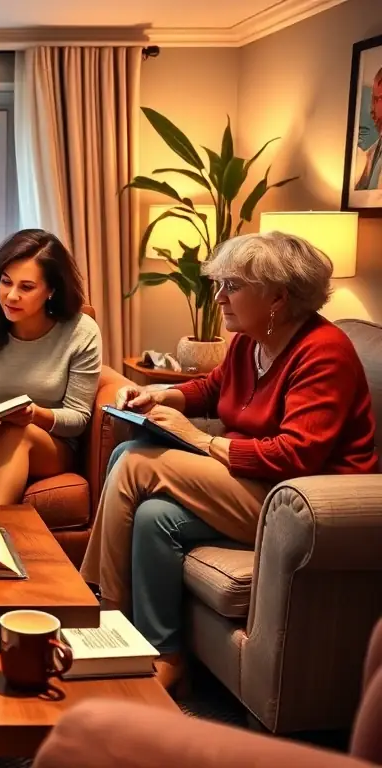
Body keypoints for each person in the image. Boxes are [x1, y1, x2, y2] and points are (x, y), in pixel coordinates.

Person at [82, 231, 378, 691]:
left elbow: (295, 454)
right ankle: (165, 653)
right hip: (252, 482)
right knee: (154, 516)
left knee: (136, 460)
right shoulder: (251, 339)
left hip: (302, 503)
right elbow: (214, 388)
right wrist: (162, 394)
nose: (218, 297)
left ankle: (103, 618)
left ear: (278, 295)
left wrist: (198, 440)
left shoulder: (324, 353)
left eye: (232, 286)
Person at [0, 229, 101, 506]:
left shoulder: (81, 331)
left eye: (26, 287)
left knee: (17, 431)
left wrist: (34, 415)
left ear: (51, 290)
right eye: (6, 282)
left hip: (50, 443)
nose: (11, 296)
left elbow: (78, 419)